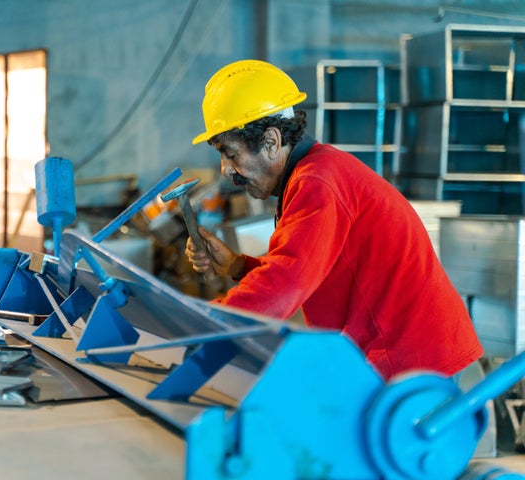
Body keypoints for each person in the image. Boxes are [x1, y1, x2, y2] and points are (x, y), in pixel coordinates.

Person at [186, 59, 483, 380]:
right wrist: (236, 267)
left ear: (271, 141)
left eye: (230, 154)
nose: (225, 170)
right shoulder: (313, 175)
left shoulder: (318, 182)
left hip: (416, 368)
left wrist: (205, 326)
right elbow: (304, 270)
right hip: (408, 357)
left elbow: (285, 285)